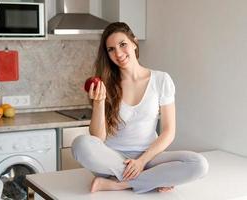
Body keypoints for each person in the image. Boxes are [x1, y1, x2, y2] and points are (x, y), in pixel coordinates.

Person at [72, 22, 209, 194]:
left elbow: (169, 131)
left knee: (198, 164)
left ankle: (120, 183)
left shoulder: (161, 80)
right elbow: (98, 138)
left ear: (134, 43)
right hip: (112, 159)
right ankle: (149, 179)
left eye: (123, 44)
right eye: (111, 49)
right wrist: (99, 102)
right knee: (80, 144)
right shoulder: (106, 83)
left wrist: (141, 162)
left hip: (150, 157)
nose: (119, 53)